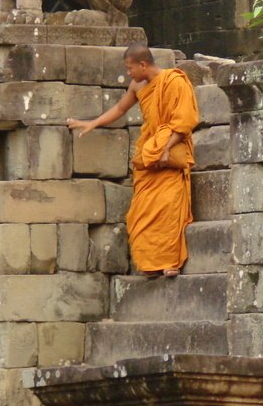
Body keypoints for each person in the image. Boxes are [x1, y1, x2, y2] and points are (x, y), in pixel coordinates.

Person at [67, 43, 199, 277]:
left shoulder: (175, 81)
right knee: (140, 213)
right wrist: (92, 123)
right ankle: (150, 264)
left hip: (171, 150)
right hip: (150, 155)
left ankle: (169, 262)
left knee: (168, 208)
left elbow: (184, 121)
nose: (128, 73)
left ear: (142, 64)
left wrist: (166, 149)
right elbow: (119, 108)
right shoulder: (138, 85)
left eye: (130, 68)